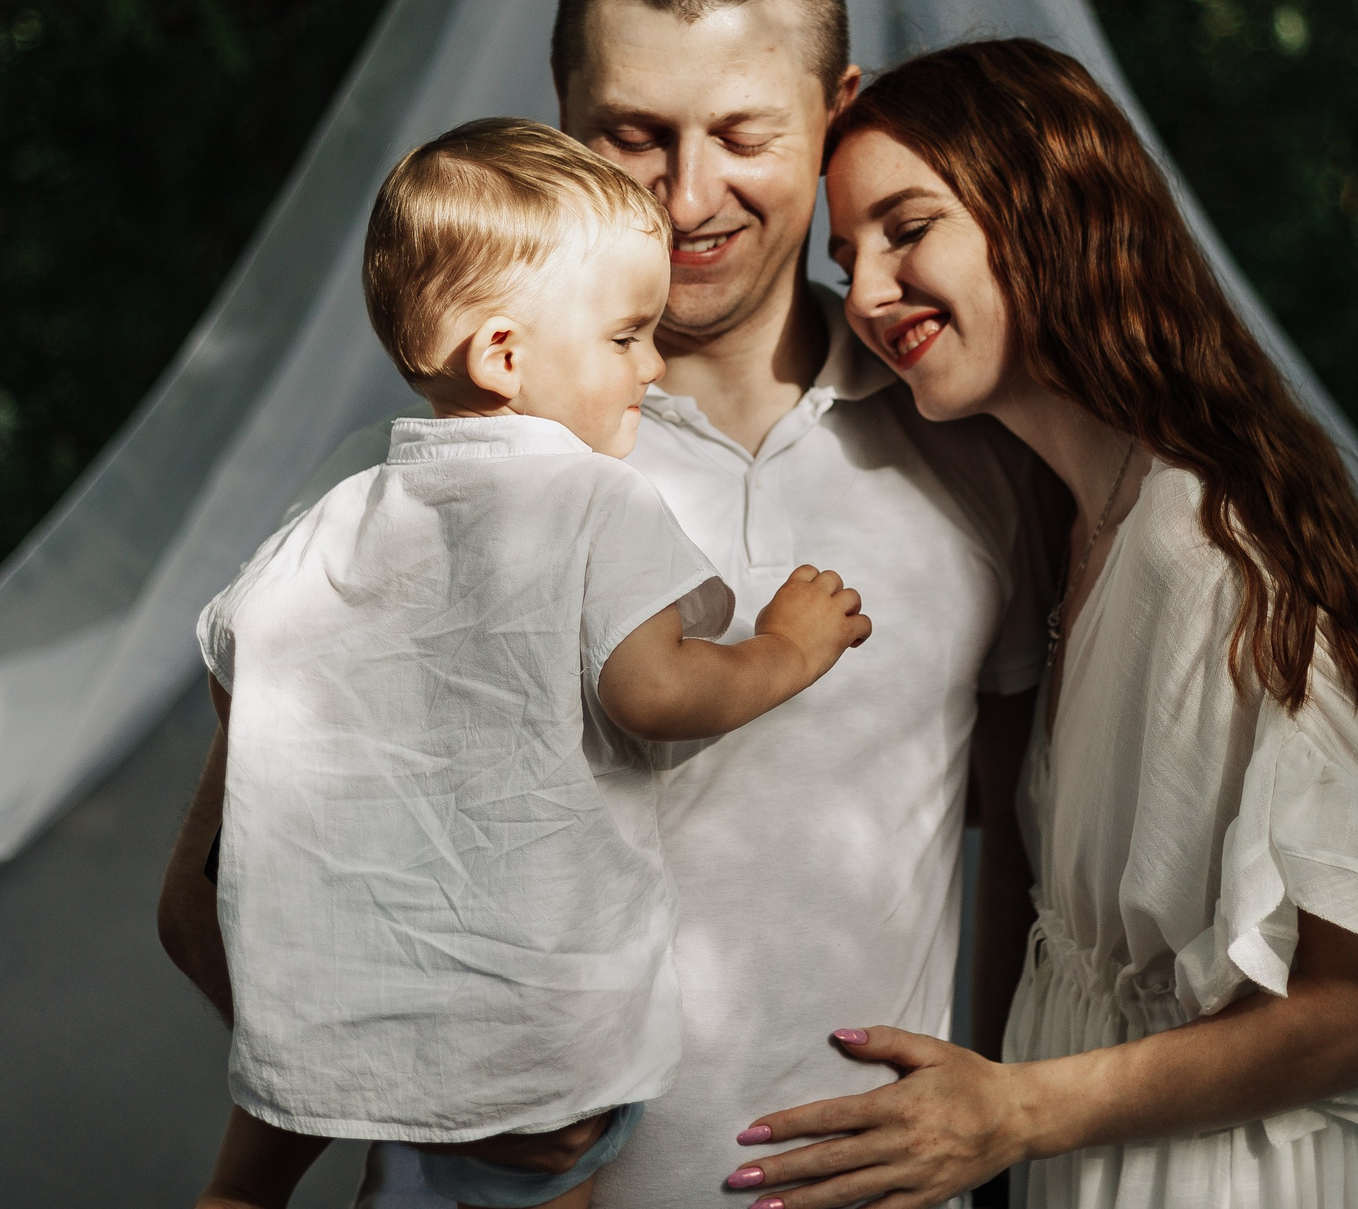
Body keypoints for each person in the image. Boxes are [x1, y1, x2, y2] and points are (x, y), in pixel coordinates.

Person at [158, 0, 1063, 1207]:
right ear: (560, 116)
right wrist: (444, 1098)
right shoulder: (429, 482)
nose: (690, 195)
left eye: (742, 132)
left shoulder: (973, 448)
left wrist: (993, 1132)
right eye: (632, 133)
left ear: (836, 112)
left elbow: (1022, 867)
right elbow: (210, 896)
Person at [728, 39, 1358, 1209]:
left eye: (907, 227)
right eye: (846, 255)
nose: (870, 293)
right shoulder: (1078, 523)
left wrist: (1018, 1110)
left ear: (1046, 211)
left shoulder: (1215, 542)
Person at [190, 119, 874, 1209]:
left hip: (339, 1018)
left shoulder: (342, 504)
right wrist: (786, 648)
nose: (653, 370)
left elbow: (237, 656)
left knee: (271, 1179)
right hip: (528, 1049)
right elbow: (654, 693)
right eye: (625, 337)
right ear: (504, 355)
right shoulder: (588, 496)